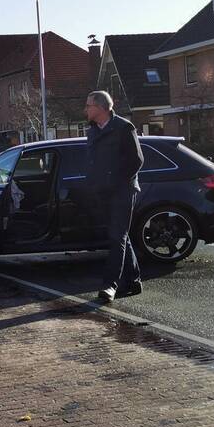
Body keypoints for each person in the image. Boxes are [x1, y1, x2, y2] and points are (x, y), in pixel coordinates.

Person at [84, 91, 144, 303]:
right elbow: (92, 163)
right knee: (120, 236)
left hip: (123, 191)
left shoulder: (123, 128)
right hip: (102, 192)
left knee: (117, 237)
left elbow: (137, 161)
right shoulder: (92, 132)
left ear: (101, 108)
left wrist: (117, 182)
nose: (86, 109)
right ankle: (134, 280)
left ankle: (110, 285)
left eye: (89, 105)